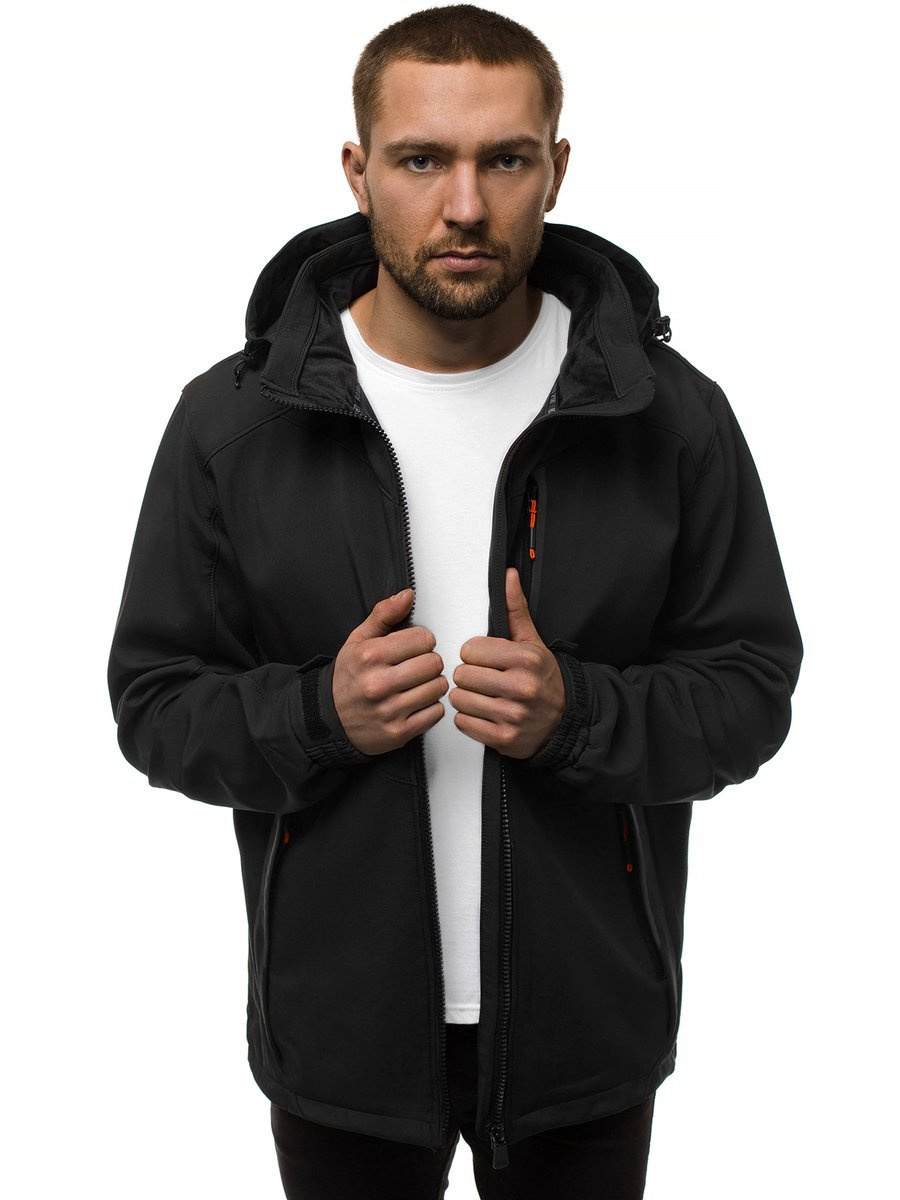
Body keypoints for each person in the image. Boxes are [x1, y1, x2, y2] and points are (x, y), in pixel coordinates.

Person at [107, 5, 803, 1197]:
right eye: (423, 159)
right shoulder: (232, 424)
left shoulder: (667, 415)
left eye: (506, 160)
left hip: (588, 1029)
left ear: (557, 170)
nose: (466, 206)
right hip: (339, 1029)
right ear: (358, 170)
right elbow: (155, 703)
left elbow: (749, 690)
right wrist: (317, 716)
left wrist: (578, 716)